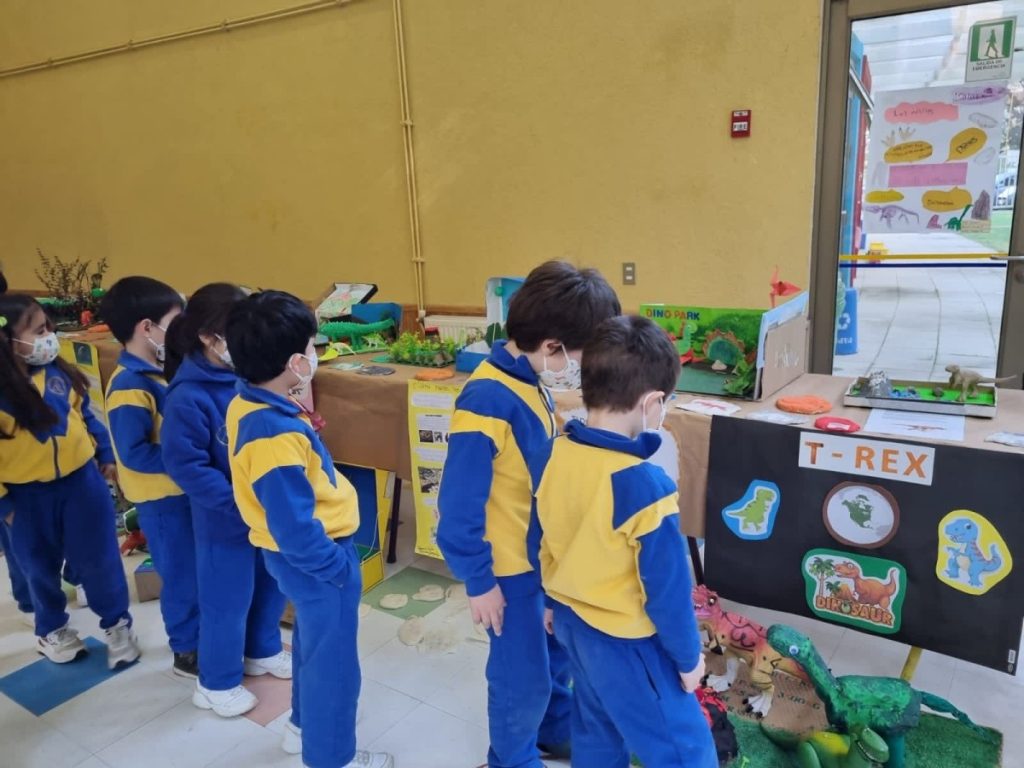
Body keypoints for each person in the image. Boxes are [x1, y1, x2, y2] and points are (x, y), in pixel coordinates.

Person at [436, 260, 621, 768]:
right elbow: (457, 508)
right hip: (508, 570)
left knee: (554, 654)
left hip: (541, 557)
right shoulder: (486, 400)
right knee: (521, 678)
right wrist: (479, 581)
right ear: (552, 346)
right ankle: (511, 758)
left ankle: (554, 729)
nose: (580, 367)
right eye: (580, 357)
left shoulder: (528, 378)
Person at [528, 315, 715, 768]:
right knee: (685, 749)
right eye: (666, 402)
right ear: (651, 402)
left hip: (571, 623)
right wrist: (689, 658)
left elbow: (543, 534)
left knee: (595, 729)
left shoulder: (554, 453)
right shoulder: (646, 487)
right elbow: (667, 591)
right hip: (627, 643)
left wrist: (550, 601)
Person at [225, 290, 392, 768]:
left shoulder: (251, 403)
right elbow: (293, 526)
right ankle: (332, 757)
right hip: (316, 561)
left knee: (313, 649)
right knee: (334, 667)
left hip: (299, 558)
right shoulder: (272, 434)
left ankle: (303, 727)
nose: (315, 355)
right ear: (295, 363)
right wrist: (335, 568)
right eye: (311, 347)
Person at [161, 283, 289, 718]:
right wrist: (237, 503)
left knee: (269, 586)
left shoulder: (245, 378)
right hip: (224, 520)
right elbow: (186, 466)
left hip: (262, 514)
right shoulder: (188, 396)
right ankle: (216, 682)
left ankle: (262, 649)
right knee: (226, 603)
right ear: (207, 337)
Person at [0, 294, 140, 668]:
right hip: (25, 497)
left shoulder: (59, 374)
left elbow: (86, 416)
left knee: (100, 559)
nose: (49, 337)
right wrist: (6, 506)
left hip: (81, 485)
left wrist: (105, 453)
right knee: (39, 568)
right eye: (38, 331)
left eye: (48, 327)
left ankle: (118, 624)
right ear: (8, 342)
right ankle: (52, 630)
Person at [100, 277, 199, 678]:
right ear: (147, 328)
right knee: (180, 576)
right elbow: (135, 453)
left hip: (182, 492)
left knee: (194, 569)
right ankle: (186, 649)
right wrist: (188, 458)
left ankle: (203, 635)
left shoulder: (160, 371)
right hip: (161, 502)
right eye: (176, 322)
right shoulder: (129, 385)